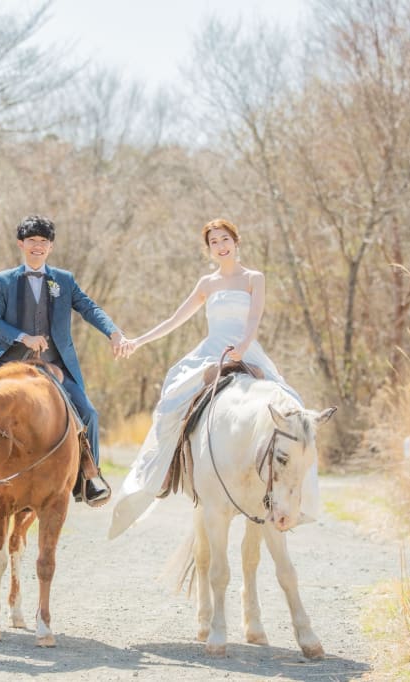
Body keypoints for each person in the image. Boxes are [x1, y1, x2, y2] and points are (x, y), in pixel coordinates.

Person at [107, 218, 319, 538]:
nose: (220, 247)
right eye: (214, 243)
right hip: (212, 351)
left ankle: (297, 497)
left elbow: (254, 317)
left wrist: (243, 348)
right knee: (174, 394)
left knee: (296, 409)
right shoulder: (207, 284)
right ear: (208, 250)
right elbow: (175, 319)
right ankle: (166, 469)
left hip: (246, 349)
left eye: (224, 240)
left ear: (236, 241)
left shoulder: (254, 278)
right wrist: (138, 341)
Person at [0, 215, 132, 505]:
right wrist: (23, 337)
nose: (37, 247)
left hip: (56, 364)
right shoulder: (5, 280)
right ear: (21, 244)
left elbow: (89, 308)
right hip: (7, 361)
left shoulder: (64, 280)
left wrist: (114, 333)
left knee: (89, 413)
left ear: (50, 247)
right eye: (32, 241)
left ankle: (89, 477)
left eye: (43, 242)